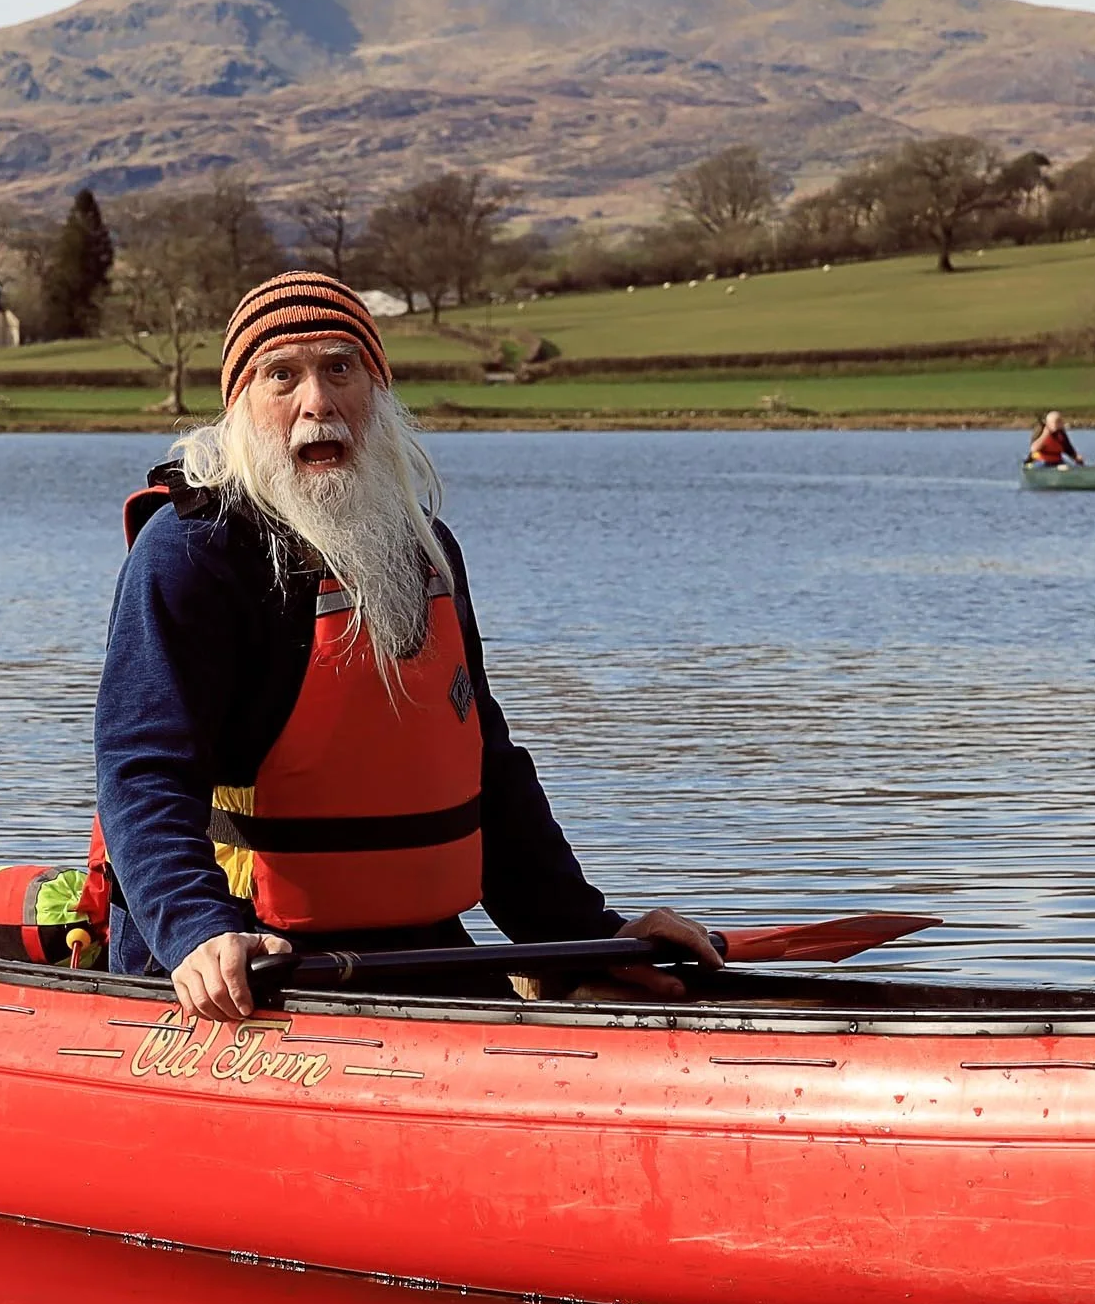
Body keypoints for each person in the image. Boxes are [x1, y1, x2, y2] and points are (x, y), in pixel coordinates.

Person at [93, 271, 723, 1022]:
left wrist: (590, 938)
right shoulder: (190, 553)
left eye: (339, 369)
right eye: (281, 376)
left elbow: (480, 766)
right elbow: (141, 769)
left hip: (413, 948)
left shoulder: (426, 550)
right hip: (244, 962)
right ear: (240, 406)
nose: (316, 404)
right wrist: (196, 930)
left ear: (377, 392)